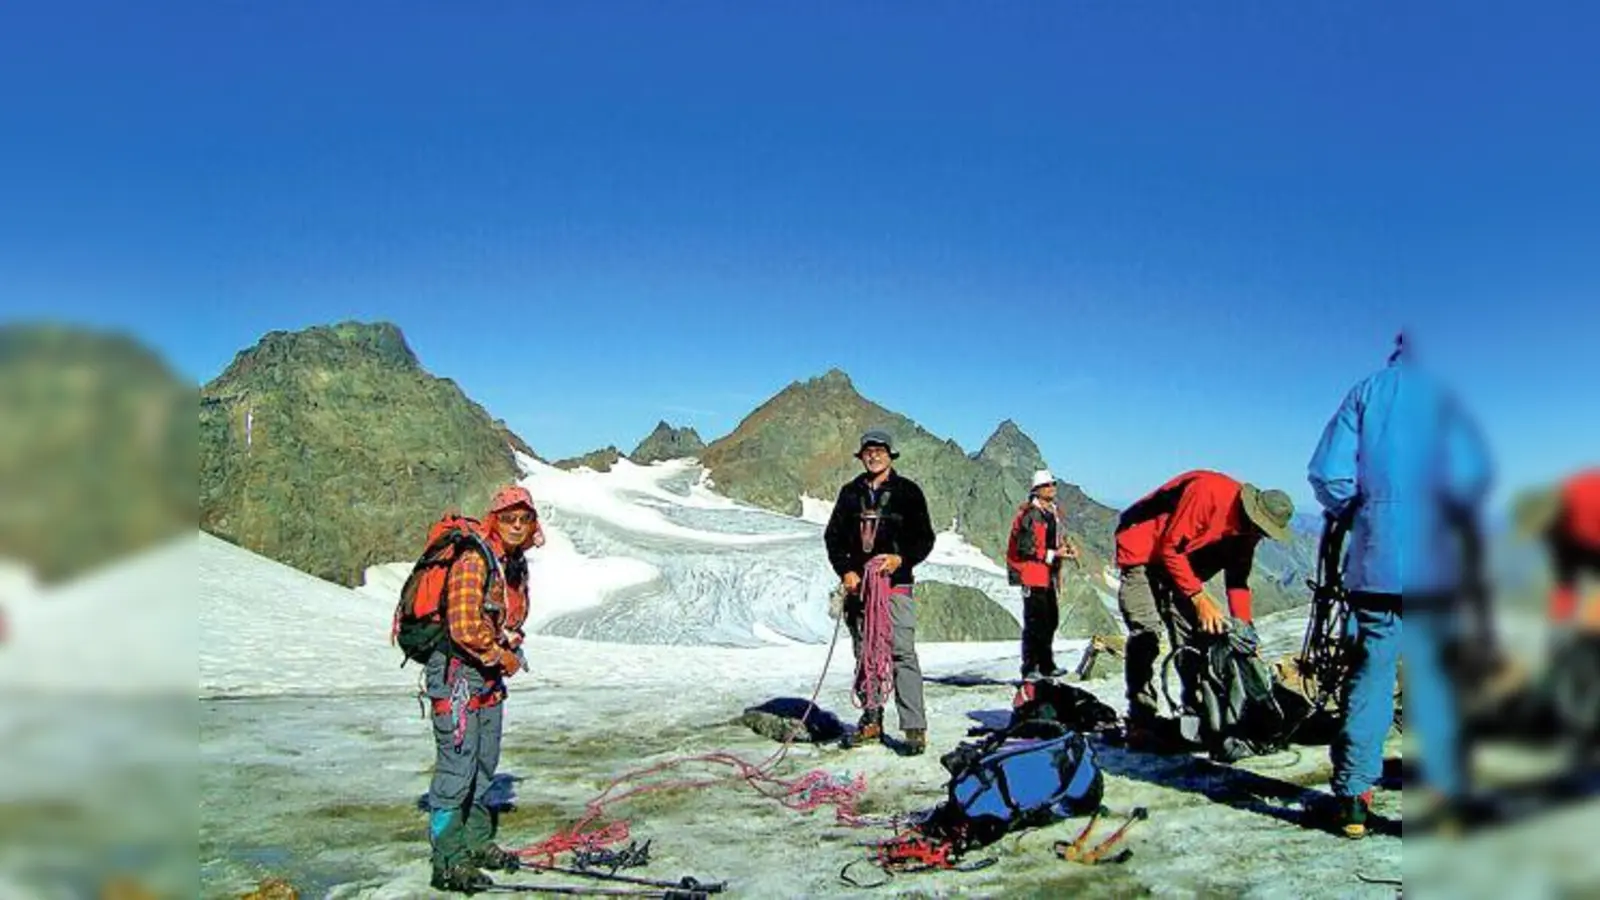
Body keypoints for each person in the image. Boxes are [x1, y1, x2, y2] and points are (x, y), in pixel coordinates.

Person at [1308, 333, 1492, 839]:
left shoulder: (1367, 391)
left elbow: (1327, 473)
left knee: (1370, 674)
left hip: (1376, 562)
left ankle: (1353, 801)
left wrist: (1364, 516)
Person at [1113, 470, 1296, 749]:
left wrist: (1245, 632)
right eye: (1260, 529)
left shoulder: (1248, 532)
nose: (1259, 536)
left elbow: (1237, 581)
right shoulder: (1208, 493)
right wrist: (1199, 598)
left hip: (1182, 560)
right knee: (1146, 632)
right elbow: (1170, 547)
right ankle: (1141, 719)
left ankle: (1199, 712)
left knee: (1196, 637)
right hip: (1142, 549)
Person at [427, 485, 544, 892]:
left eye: (524, 518)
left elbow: (506, 620)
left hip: (488, 677)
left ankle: (476, 843)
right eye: (509, 518)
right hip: (458, 675)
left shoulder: (513, 565)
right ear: (495, 520)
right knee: (457, 768)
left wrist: (509, 645)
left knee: (483, 763)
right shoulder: (475, 559)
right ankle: (447, 861)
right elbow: (463, 627)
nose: (517, 525)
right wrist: (500, 655)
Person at [823, 429, 937, 755]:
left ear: (890, 455)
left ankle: (914, 727)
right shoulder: (850, 493)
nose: (873, 456)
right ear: (862, 456)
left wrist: (901, 559)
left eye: (879, 450)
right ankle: (871, 719)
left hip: (895, 585)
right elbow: (834, 537)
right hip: (860, 589)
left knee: (902, 652)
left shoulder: (908, 492)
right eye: (868, 451)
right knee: (866, 653)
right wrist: (846, 570)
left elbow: (924, 538)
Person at [1007, 469, 1078, 679]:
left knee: (1050, 620)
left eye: (1053, 484)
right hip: (1031, 574)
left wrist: (1063, 550)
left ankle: (1046, 665)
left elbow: (1052, 540)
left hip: (1046, 575)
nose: (1052, 488)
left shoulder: (1052, 512)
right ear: (1037, 490)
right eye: (1047, 485)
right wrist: (1054, 554)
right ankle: (1030, 668)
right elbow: (1025, 547)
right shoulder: (1030, 514)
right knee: (1035, 622)